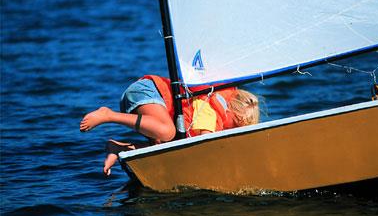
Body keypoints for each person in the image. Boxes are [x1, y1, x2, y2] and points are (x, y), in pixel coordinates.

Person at [80, 75, 259, 175]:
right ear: (231, 111)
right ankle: (108, 115)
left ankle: (119, 148)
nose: (232, 130)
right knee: (167, 131)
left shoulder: (219, 109)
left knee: (167, 148)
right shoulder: (211, 110)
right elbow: (206, 143)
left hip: (149, 106)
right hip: (146, 91)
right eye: (235, 125)